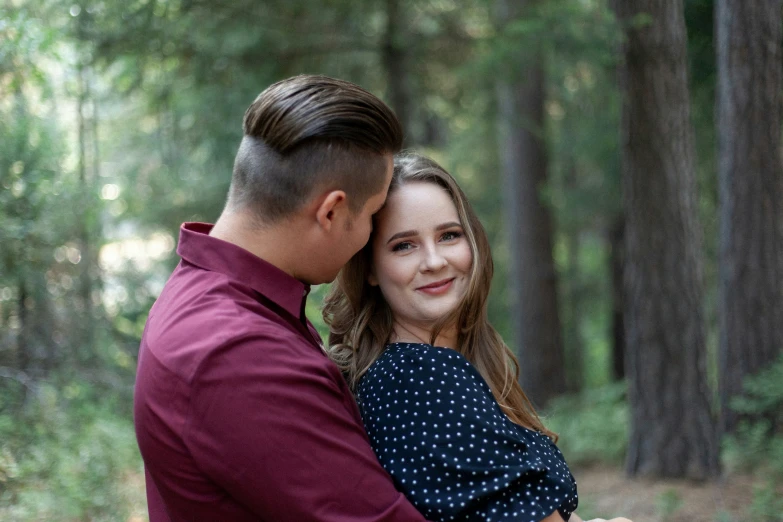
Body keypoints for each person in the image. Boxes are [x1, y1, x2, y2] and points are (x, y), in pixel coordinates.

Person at [133, 75, 430, 521]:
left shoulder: (223, 298)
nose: (369, 237)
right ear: (330, 211)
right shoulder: (238, 354)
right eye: (371, 215)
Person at [323, 153, 631, 522]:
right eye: (404, 245)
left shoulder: (444, 366)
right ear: (370, 268)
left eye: (449, 235)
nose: (434, 261)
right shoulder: (416, 378)